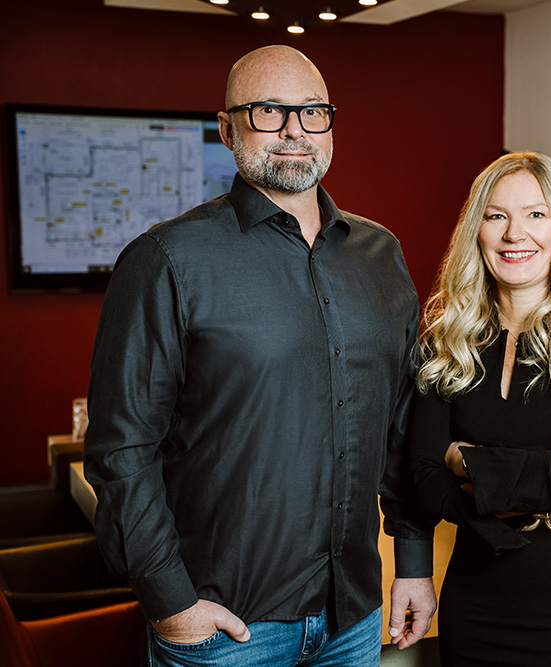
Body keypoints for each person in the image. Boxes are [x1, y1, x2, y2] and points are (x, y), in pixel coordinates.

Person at [84, 45, 435, 666]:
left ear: (330, 123)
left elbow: (405, 424)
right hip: (225, 630)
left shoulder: (380, 255)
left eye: (312, 112)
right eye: (269, 111)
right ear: (227, 129)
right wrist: (171, 603)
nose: (295, 130)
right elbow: (120, 448)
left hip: (353, 618)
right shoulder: (166, 259)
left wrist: (412, 560)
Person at [408, 151, 551, 666]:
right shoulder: (446, 341)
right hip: (478, 588)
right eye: (496, 216)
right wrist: (545, 469)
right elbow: (422, 478)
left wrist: (463, 459)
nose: (516, 233)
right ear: (477, 231)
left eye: (536, 214)